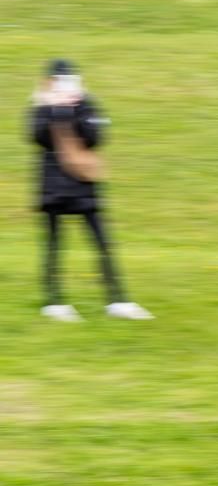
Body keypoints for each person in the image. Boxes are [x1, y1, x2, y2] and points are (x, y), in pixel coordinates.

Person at [29, 60, 152, 323]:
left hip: (83, 185)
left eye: (68, 79)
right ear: (49, 80)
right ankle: (54, 301)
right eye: (59, 79)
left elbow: (96, 136)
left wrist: (72, 111)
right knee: (54, 245)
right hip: (53, 185)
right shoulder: (41, 106)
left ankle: (118, 300)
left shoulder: (86, 103)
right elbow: (37, 137)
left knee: (103, 243)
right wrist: (55, 111)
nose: (64, 84)